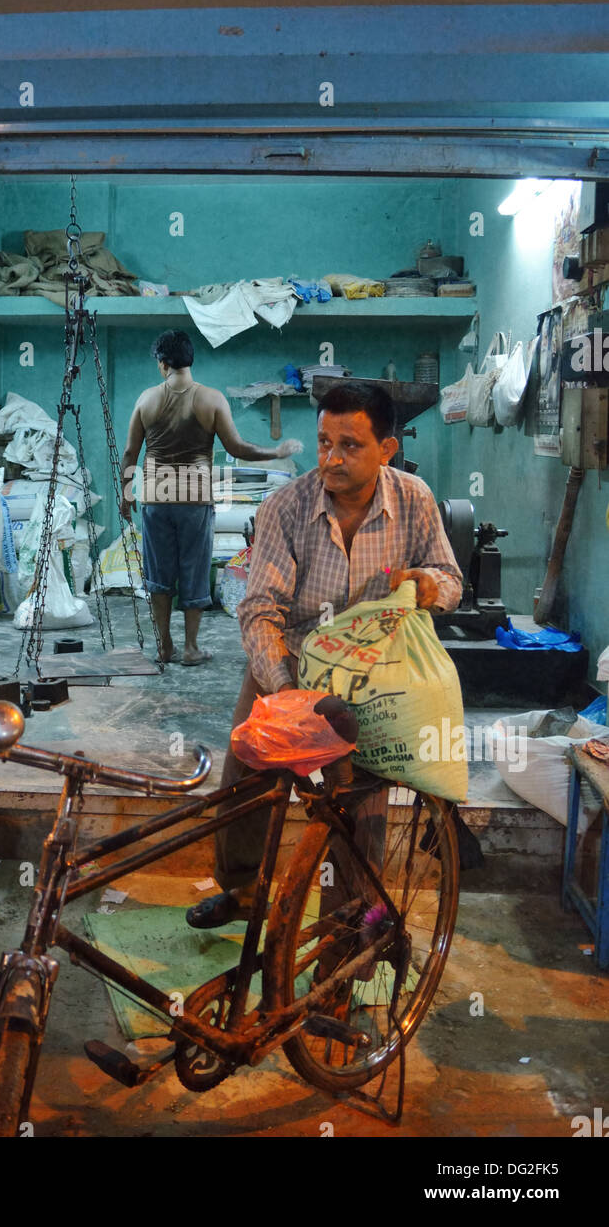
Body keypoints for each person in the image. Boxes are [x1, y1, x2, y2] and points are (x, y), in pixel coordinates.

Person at [186, 379, 463, 928]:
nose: (332, 459)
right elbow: (260, 609)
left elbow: (452, 580)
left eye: (351, 445)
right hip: (289, 659)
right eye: (323, 442)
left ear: (388, 449)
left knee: (358, 803)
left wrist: (429, 585)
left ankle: (352, 928)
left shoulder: (414, 500)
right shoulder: (286, 507)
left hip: (373, 675)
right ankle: (243, 892)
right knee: (248, 768)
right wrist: (287, 696)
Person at [120, 330, 302, 666]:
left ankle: (164, 647)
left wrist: (126, 495)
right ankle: (190, 648)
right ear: (190, 360)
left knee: (159, 577)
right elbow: (237, 448)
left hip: (157, 500)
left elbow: (131, 451)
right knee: (194, 572)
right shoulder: (212, 399)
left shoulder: (146, 399)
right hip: (194, 500)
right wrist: (275, 451)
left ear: (162, 364)